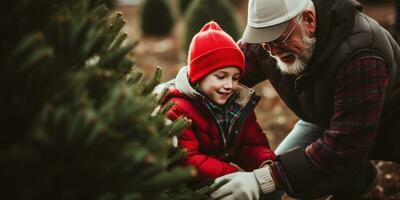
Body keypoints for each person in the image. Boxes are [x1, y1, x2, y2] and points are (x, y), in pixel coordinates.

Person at [209, 0, 400, 199]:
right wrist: (181, 90)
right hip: (326, 119)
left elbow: (346, 144)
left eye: (278, 39)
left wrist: (265, 178)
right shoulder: (267, 41)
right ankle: (356, 178)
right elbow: (224, 69)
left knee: (285, 176)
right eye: (264, 42)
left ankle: (354, 175)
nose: (273, 51)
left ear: (309, 20)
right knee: (288, 179)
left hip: (386, 126)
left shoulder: (361, 55)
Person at [159, 21, 276, 182]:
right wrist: (233, 175)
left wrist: (265, 163)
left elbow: (250, 144)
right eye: (221, 77)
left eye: (235, 78)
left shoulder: (236, 103)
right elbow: (187, 159)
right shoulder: (178, 109)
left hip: (218, 180)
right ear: (199, 75)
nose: (229, 85)